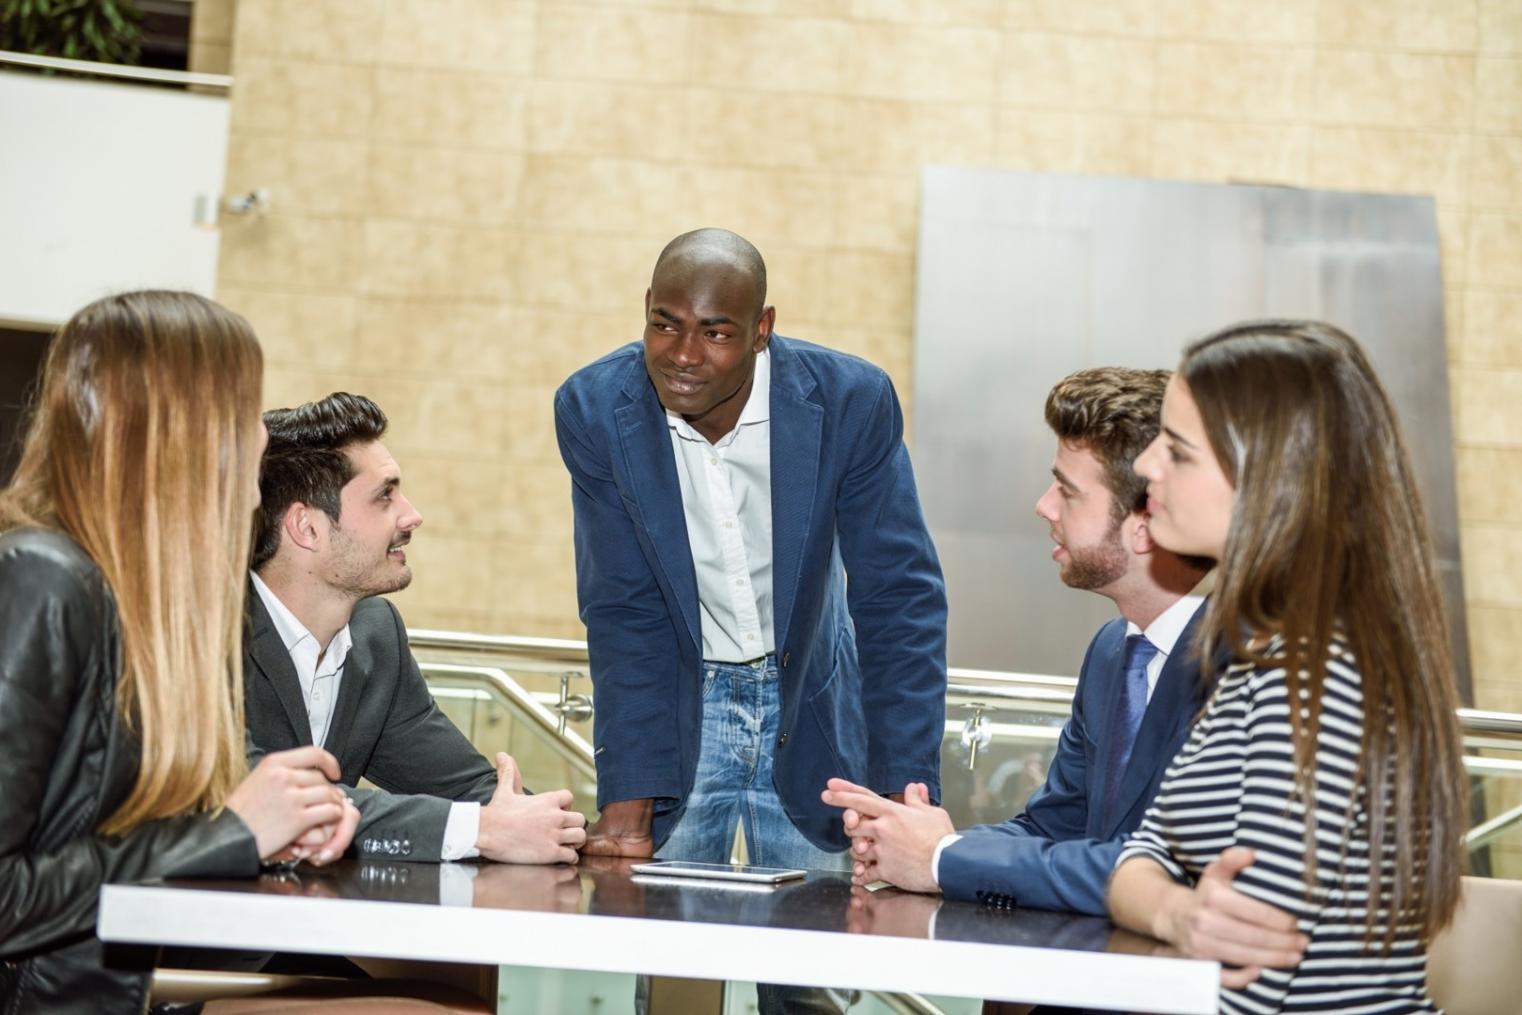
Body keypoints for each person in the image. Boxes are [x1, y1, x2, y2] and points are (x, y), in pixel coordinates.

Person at [0, 291, 359, 1014]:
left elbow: (98, 834)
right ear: (179, 429)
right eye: (244, 410)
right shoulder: (44, 579)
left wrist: (269, 824)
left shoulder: (125, 593)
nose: (261, 438)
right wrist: (231, 832)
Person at [554, 227, 948, 871]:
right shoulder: (594, 410)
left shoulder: (852, 401)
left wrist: (906, 790)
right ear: (646, 306)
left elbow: (899, 596)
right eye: (665, 324)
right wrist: (630, 790)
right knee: (669, 958)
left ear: (761, 328)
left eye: (716, 332)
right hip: (679, 716)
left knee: (812, 960)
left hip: (813, 710)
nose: (683, 354)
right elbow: (623, 607)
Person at [1109, 320, 1466, 1012]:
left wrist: (1160, 899)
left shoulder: (1313, 674)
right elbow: (1137, 851)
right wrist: (1174, 913)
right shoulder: (1265, 655)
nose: (1148, 464)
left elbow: (1245, 986)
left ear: (1270, 481)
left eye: (1178, 451)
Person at [822, 367, 1211, 916]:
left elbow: (1168, 869)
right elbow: (1055, 826)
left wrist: (942, 858)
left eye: (1069, 492)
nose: (1045, 506)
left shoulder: (1245, 667)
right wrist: (914, 837)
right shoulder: (1111, 652)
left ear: (1148, 519)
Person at [248, 392, 587, 865]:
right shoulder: (205, 636)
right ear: (307, 528)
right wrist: (481, 830)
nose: (412, 516)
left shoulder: (375, 631)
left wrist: (559, 826)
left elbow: (462, 784)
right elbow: (267, 801)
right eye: (385, 495)